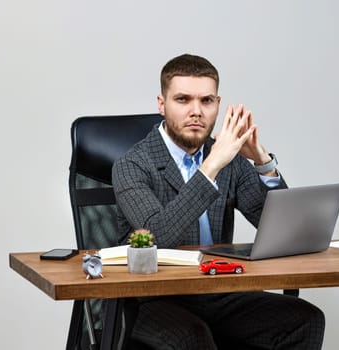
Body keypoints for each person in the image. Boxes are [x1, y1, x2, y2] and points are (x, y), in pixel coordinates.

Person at [112, 53, 325, 350]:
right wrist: (211, 165)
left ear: (218, 104)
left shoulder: (231, 160)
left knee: (305, 319)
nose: (196, 111)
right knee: (193, 338)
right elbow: (157, 235)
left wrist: (263, 163)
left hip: (217, 290)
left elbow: (285, 232)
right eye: (183, 100)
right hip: (155, 299)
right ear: (162, 105)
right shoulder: (132, 164)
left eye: (207, 101)